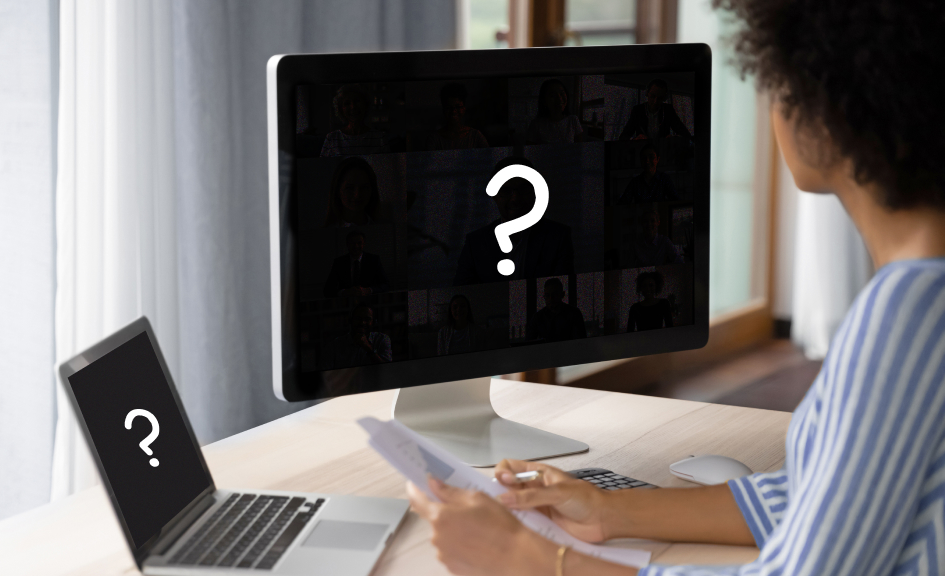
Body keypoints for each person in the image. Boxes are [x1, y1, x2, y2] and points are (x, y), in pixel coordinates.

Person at [405, 1, 945, 574]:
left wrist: (530, 559)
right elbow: (818, 503)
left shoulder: (909, 310)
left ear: (831, 114)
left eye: (779, 88)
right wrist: (608, 509)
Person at [454, 157, 574, 285]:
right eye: (506, 191)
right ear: (495, 196)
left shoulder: (558, 237)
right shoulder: (475, 243)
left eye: (523, 189)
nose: (515, 198)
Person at [320, 84, 388, 157]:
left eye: (357, 101)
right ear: (341, 109)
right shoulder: (332, 138)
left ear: (365, 105)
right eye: (347, 103)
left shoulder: (379, 137)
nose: (353, 107)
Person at [618, 79, 693, 142]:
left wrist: (676, 138)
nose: (655, 101)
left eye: (660, 98)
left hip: (662, 150)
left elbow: (686, 134)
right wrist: (634, 139)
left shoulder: (668, 110)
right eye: (653, 96)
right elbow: (623, 136)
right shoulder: (638, 110)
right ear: (647, 93)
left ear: (664, 98)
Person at [322, 230, 388, 298]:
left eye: (359, 243)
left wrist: (369, 290)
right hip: (346, 304)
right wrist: (345, 292)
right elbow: (328, 290)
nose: (356, 246)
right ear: (347, 244)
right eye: (352, 243)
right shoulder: (339, 263)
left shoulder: (374, 260)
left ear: (364, 244)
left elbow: (386, 285)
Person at [427, 83, 489, 151]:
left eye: (458, 107)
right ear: (443, 109)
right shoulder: (435, 139)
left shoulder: (476, 136)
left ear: (464, 108)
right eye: (449, 107)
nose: (453, 111)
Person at [323, 157, 381, 227]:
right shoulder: (327, 233)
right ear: (338, 190)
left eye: (364, 187)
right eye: (350, 188)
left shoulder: (383, 229)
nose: (357, 195)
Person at [331, 302, 392, 369]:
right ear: (351, 321)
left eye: (367, 319)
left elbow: (387, 369)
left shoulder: (382, 339)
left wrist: (369, 349)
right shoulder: (336, 344)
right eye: (358, 318)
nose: (362, 322)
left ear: (373, 322)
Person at [526, 79, 586, 145]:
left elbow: (579, 148)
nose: (559, 98)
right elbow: (530, 151)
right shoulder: (536, 125)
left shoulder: (573, 120)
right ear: (544, 100)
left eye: (561, 93)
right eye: (552, 95)